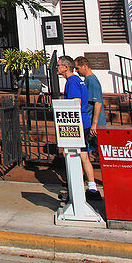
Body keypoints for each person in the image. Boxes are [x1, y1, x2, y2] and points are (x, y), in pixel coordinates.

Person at [57, 55, 99, 200]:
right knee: (84, 154)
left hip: (77, 124)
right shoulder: (78, 81)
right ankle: (91, 187)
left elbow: (76, 103)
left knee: (72, 154)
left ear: (65, 67)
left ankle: (76, 188)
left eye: (58, 66)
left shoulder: (72, 82)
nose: (57, 68)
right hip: (84, 122)